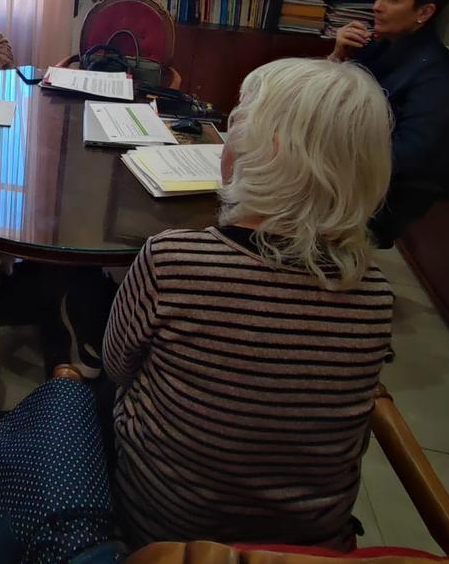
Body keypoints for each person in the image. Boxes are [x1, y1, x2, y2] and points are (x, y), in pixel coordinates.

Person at [103, 58, 395, 550]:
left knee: (86, 386)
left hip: (165, 538)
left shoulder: (172, 258)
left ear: (258, 153)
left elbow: (117, 368)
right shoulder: (375, 295)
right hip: (307, 548)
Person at [329, 0, 449, 243]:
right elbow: (327, 100)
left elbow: (406, 154)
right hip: (341, 157)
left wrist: (330, 161)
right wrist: (339, 55)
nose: (377, 6)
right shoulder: (380, 46)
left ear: (424, 12)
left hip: (366, 184)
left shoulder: (438, 75)